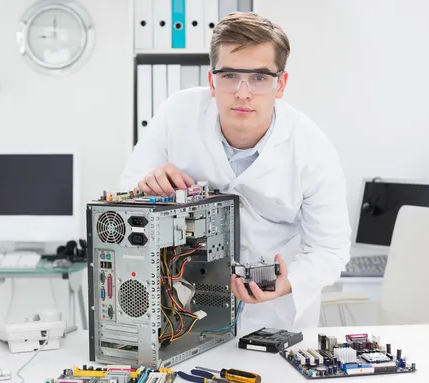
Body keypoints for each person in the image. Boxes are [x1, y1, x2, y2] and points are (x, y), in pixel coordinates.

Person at [119, 12, 351, 334]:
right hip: (184, 306)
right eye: (229, 76)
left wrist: (289, 282)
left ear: (280, 84)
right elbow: (127, 190)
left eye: (259, 78)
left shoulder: (312, 148)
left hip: (273, 316)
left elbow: (330, 250)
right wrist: (147, 186)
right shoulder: (178, 114)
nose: (243, 93)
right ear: (212, 81)